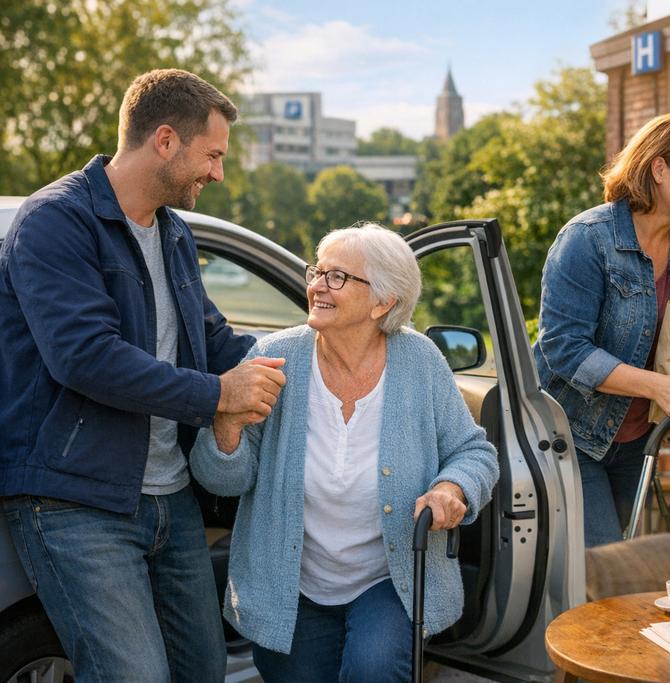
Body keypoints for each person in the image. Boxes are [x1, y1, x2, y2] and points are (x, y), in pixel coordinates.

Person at [0, 69, 286, 682]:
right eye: (212, 155)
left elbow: (210, 339)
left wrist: (316, 351)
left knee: (201, 672)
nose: (218, 173)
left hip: (168, 497)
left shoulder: (174, 233)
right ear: (164, 140)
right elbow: (86, 357)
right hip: (73, 499)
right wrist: (217, 397)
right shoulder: (55, 222)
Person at [190, 224, 500, 683]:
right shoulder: (274, 358)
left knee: (374, 668)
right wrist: (226, 422)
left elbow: (474, 452)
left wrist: (452, 487)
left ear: (383, 302)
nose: (316, 285)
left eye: (337, 277)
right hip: (290, 585)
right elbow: (223, 481)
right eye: (318, 271)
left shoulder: (420, 361)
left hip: (389, 580)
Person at [533, 113, 670, 547]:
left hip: (639, 440)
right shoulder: (588, 239)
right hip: (571, 436)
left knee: (629, 571)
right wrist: (658, 387)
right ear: (659, 168)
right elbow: (563, 348)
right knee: (606, 568)